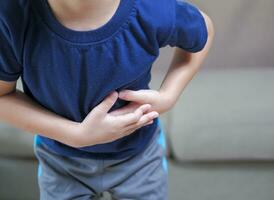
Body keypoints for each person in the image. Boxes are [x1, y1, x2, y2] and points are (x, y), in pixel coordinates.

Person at [0, 0, 214, 199]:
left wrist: (169, 95)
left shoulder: (150, 8)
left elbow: (205, 27)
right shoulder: (12, 13)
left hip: (139, 157)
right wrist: (76, 135)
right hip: (60, 160)